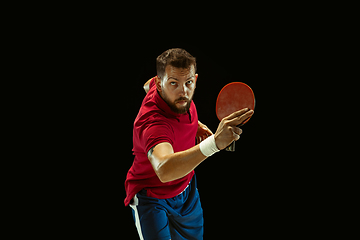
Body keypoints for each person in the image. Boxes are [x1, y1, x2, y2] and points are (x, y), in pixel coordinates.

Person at [124, 48, 254, 239]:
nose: (183, 91)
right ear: (160, 84)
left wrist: (196, 125)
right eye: (174, 84)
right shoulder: (153, 123)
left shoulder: (166, 90)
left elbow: (147, 84)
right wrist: (214, 144)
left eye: (189, 82)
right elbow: (164, 170)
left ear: (195, 79)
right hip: (153, 199)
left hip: (186, 193)